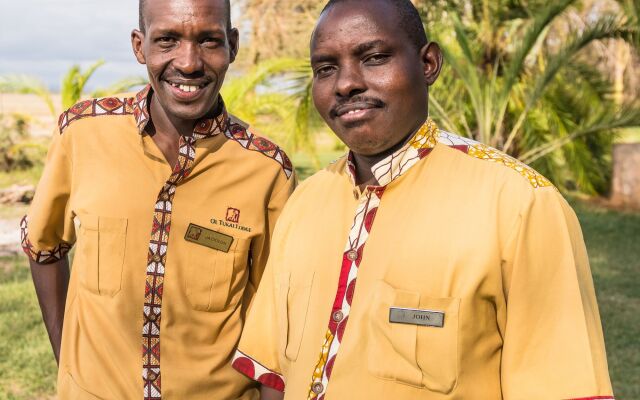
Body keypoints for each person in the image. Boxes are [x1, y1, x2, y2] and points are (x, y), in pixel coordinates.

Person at [231, 0, 615, 399]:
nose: (345, 83)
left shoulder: (521, 206)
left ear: (428, 63)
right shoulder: (306, 202)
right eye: (326, 68)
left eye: (374, 57)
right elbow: (273, 373)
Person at [21, 0, 295, 398]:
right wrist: (69, 363)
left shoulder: (267, 170)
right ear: (139, 46)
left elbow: (275, 318)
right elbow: (43, 246)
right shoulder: (82, 134)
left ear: (232, 46)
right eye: (167, 40)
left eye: (208, 41)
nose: (188, 63)